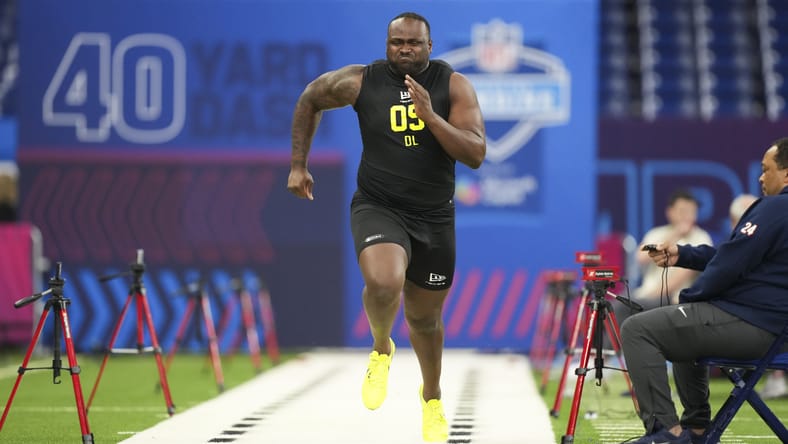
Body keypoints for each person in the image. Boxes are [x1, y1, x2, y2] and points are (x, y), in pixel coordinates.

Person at [287, 12, 486, 442]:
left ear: (430, 46)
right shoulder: (362, 81)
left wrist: (432, 117)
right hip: (379, 205)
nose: (405, 50)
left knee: (425, 320)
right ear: (387, 43)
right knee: (383, 282)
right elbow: (310, 98)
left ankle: (431, 397)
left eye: (413, 43)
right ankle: (381, 348)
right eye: (396, 42)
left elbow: (475, 153)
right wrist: (299, 165)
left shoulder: (453, 86)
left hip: (434, 216)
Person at [619, 137, 788, 444]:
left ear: (787, 174)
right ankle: (696, 431)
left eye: (767, 170)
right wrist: (683, 254)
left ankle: (665, 434)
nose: (761, 177)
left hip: (757, 325)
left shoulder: (776, 208)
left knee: (637, 329)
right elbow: (733, 256)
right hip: (775, 327)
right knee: (685, 328)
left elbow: (729, 266)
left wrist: (691, 298)